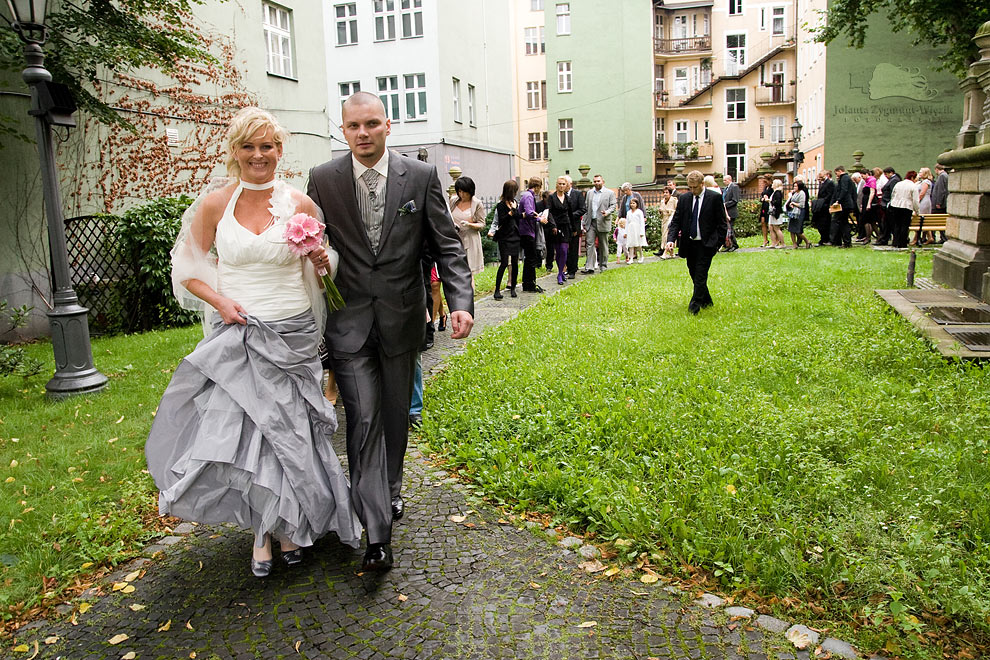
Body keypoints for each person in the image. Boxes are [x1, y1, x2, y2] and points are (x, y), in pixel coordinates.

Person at [146, 107, 362, 579]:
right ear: (235, 151)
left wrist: (322, 260)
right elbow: (186, 270)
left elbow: (323, 275)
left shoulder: (300, 204)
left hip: (293, 331)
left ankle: (292, 524)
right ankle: (263, 532)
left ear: (279, 150)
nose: (258, 155)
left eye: (267, 146)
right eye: (248, 146)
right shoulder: (215, 205)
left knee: (292, 431)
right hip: (240, 331)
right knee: (250, 433)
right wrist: (221, 302)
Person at [306, 92, 474, 572]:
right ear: (343, 130)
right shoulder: (323, 179)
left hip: (402, 319)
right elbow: (309, 242)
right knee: (362, 419)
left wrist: (460, 303)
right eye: (353, 126)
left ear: (388, 125)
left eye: (372, 124)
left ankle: (391, 486)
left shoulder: (419, 176)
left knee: (396, 417)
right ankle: (376, 535)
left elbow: (447, 244)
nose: (363, 133)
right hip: (349, 323)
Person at [665, 170, 728, 314]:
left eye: (695, 187)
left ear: (702, 184)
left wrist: (717, 243)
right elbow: (676, 221)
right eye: (690, 187)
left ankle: (694, 307)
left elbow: (722, 223)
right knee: (694, 272)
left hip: (706, 244)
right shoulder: (684, 199)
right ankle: (707, 300)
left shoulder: (714, 198)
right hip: (690, 244)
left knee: (700, 274)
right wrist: (670, 240)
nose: (693, 190)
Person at [448, 176, 487, 286]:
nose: (462, 195)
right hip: (456, 239)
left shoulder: (477, 204)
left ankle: (470, 295)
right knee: (456, 271)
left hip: (470, 240)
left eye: (465, 192)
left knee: (469, 272)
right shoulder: (453, 201)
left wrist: (470, 224)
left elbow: (482, 224)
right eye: (459, 191)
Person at [582, 174, 617, 273]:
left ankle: (603, 266)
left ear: (603, 182)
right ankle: (590, 267)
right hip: (591, 222)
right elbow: (586, 207)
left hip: (603, 221)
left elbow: (613, 206)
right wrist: (584, 221)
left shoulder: (609, 193)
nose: (596, 183)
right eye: (595, 181)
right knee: (590, 244)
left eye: (598, 181)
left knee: (603, 245)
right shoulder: (589, 193)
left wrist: (607, 212)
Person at [493, 179, 521, 299]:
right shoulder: (501, 205)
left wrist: (519, 212)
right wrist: (511, 212)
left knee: (515, 263)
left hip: (515, 236)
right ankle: (497, 290)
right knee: (504, 263)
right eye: (515, 191)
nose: (516, 193)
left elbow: (517, 218)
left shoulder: (515, 202)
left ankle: (513, 287)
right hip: (504, 237)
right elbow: (502, 220)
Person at [518, 177, 545, 293]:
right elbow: (529, 213)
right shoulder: (529, 196)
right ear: (537, 186)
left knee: (529, 258)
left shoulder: (527, 195)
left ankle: (528, 283)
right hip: (527, 231)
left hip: (527, 230)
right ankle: (529, 284)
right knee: (531, 258)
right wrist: (539, 219)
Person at [546, 176, 573, 285]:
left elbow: (570, 214)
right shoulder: (551, 198)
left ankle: (560, 273)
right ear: (556, 185)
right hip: (555, 227)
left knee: (564, 250)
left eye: (563, 184)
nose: (561, 186)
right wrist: (553, 226)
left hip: (566, 226)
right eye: (560, 184)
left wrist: (574, 228)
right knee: (558, 251)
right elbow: (549, 212)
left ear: (566, 186)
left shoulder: (568, 198)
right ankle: (560, 272)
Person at [889, 170, 920, 248]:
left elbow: (893, 194)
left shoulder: (898, 184)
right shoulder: (913, 186)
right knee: (904, 225)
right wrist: (917, 210)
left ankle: (895, 242)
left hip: (895, 205)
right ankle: (902, 243)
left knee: (897, 225)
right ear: (912, 177)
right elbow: (915, 200)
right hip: (907, 206)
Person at [564, 175, 586, 279]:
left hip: (574, 225)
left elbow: (583, 209)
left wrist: (571, 215)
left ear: (570, 184)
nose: (563, 186)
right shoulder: (560, 195)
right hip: (564, 226)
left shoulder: (577, 194)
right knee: (565, 248)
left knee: (573, 248)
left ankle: (572, 270)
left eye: (565, 184)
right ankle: (567, 268)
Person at [829, 165, 857, 248]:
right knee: (843, 222)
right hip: (847, 203)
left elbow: (844, 190)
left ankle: (845, 241)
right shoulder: (847, 178)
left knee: (841, 222)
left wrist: (838, 200)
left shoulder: (844, 178)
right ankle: (845, 241)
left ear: (840, 171)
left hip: (844, 204)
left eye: (836, 173)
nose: (836, 175)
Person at [876, 167, 901, 246]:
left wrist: (889, 203)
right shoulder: (892, 179)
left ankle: (893, 240)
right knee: (886, 223)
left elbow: (893, 193)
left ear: (891, 173)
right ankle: (884, 239)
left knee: (890, 223)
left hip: (889, 205)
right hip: (887, 204)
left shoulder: (894, 180)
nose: (886, 176)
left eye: (886, 174)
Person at [786, 180, 812, 248]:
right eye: (794, 186)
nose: (794, 187)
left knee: (798, 230)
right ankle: (794, 244)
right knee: (791, 229)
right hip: (793, 212)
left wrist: (794, 204)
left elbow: (802, 205)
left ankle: (807, 241)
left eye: (796, 186)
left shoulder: (802, 193)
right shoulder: (794, 193)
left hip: (799, 212)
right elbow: (791, 200)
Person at [914, 167, 934, 245]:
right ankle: (930, 237)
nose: (919, 173)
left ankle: (916, 238)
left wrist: (917, 201)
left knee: (920, 219)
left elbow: (922, 193)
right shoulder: (921, 182)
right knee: (924, 220)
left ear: (925, 173)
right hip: (925, 200)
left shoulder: (926, 182)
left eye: (921, 172)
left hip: (924, 201)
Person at [813, 171, 834, 245]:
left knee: (825, 223)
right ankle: (824, 238)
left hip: (825, 206)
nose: (820, 178)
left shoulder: (829, 183)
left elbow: (829, 194)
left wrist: (822, 201)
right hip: (821, 206)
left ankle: (825, 238)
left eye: (821, 177)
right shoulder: (822, 183)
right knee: (820, 223)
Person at [656, 188, 678, 258]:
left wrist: (670, 211)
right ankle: (672, 253)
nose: (665, 194)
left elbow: (677, 211)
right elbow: (661, 215)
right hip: (664, 221)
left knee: (667, 236)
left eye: (666, 192)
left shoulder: (674, 200)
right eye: (664, 192)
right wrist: (660, 212)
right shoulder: (662, 201)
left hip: (671, 220)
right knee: (664, 236)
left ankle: (664, 253)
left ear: (670, 193)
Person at [721, 174, 740, 252]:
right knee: (727, 229)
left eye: (725, 180)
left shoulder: (734, 187)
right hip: (726, 211)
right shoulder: (725, 189)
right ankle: (729, 245)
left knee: (730, 229)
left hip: (731, 212)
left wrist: (725, 204)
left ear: (729, 180)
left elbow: (735, 200)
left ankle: (734, 245)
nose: (724, 182)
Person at [625, 198, 647, 263]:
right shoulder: (628, 212)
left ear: (637, 204)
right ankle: (631, 258)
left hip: (637, 229)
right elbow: (627, 223)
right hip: (630, 229)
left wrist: (642, 232)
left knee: (639, 244)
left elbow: (642, 222)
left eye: (633, 203)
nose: (632, 205)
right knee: (631, 244)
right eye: (631, 203)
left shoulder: (639, 212)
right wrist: (626, 232)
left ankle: (641, 256)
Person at [767, 179, 786, 248]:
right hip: (772, 212)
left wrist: (770, 201)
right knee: (771, 227)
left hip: (776, 212)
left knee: (776, 228)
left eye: (773, 183)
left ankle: (782, 243)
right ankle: (773, 243)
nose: (772, 184)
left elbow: (777, 202)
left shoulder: (778, 193)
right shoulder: (774, 192)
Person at [759, 177, 773, 248]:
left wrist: (767, 198)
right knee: (763, 222)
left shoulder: (772, 188)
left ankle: (774, 239)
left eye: (766, 182)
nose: (765, 183)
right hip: (764, 206)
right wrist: (762, 198)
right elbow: (762, 195)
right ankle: (765, 240)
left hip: (769, 206)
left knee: (770, 223)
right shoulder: (765, 188)